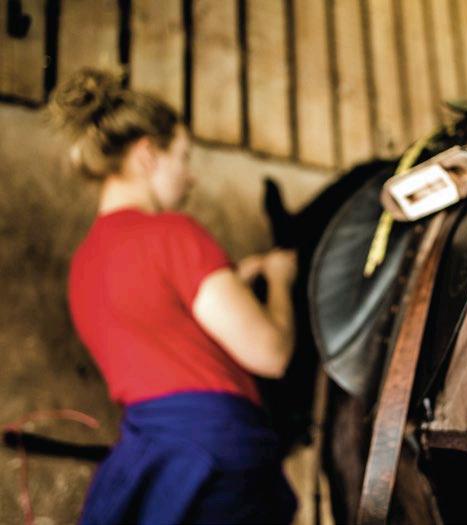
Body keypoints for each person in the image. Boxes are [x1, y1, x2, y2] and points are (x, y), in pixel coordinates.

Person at [50, 68, 298, 524]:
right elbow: (271, 354)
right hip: (216, 453)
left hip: (152, 456)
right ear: (147, 155)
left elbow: (161, 333)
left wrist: (231, 282)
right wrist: (280, 281)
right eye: (183, 157)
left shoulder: (82, 265)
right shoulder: (172, 233)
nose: (191, 178)